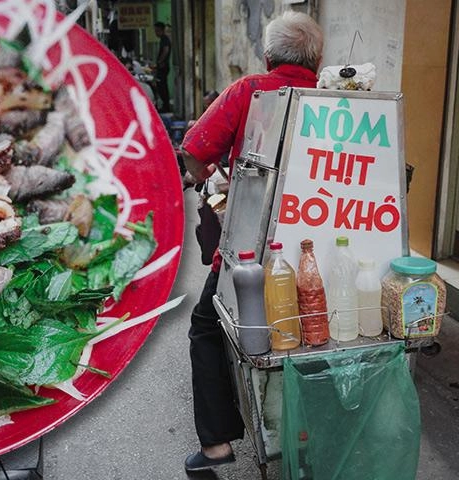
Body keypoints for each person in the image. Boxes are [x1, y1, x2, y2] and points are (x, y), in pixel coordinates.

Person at [180, 10, 323, 472]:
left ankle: (218, 447)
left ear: (266, 56)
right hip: (320, 249)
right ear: (318, 61)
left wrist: (212, 178)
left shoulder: (250, 90)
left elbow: (195, 149)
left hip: (252, 247)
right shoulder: (332, 99)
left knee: (207, 324)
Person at [153, 21, 171, 112]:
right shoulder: (163, 39)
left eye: (157, 30)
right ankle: (165, 105)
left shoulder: (165, 39)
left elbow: (166, 50)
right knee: (161, 87)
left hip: (163, 67)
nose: (156, 33)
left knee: (162, 87)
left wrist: (160, 62)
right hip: (162, 67)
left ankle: (166, 106)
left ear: (162, 30)